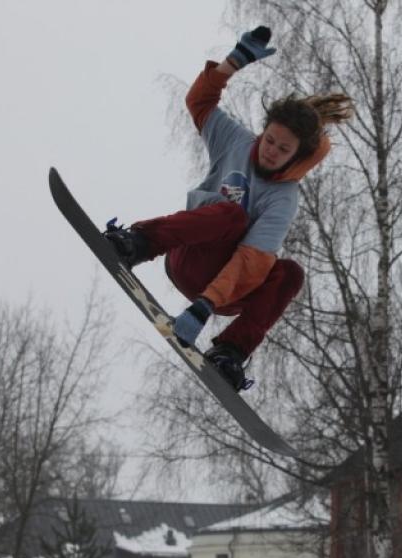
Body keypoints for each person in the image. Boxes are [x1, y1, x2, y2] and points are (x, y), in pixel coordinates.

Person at [104, 26, 353, 391]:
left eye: (283, 150)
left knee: (289, 273)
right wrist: (232, 64)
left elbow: (250, 262)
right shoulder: (234, 140)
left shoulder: (284, 199)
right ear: (263, 131)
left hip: (228, 292)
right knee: (230, 214)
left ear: (296, 156)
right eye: (269, 140)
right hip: (189, 258)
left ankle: (230, 353)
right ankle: (137, 243)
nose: (271, 151)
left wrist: (204, 307)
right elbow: (199, 103)